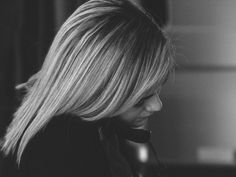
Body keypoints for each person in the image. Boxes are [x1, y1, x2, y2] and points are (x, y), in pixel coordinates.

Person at [0, 0, 175, 176]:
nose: (156, 105)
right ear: (99, 89)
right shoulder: (65, 148)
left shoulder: (96, 131)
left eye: (156, 91)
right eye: (142, 97)